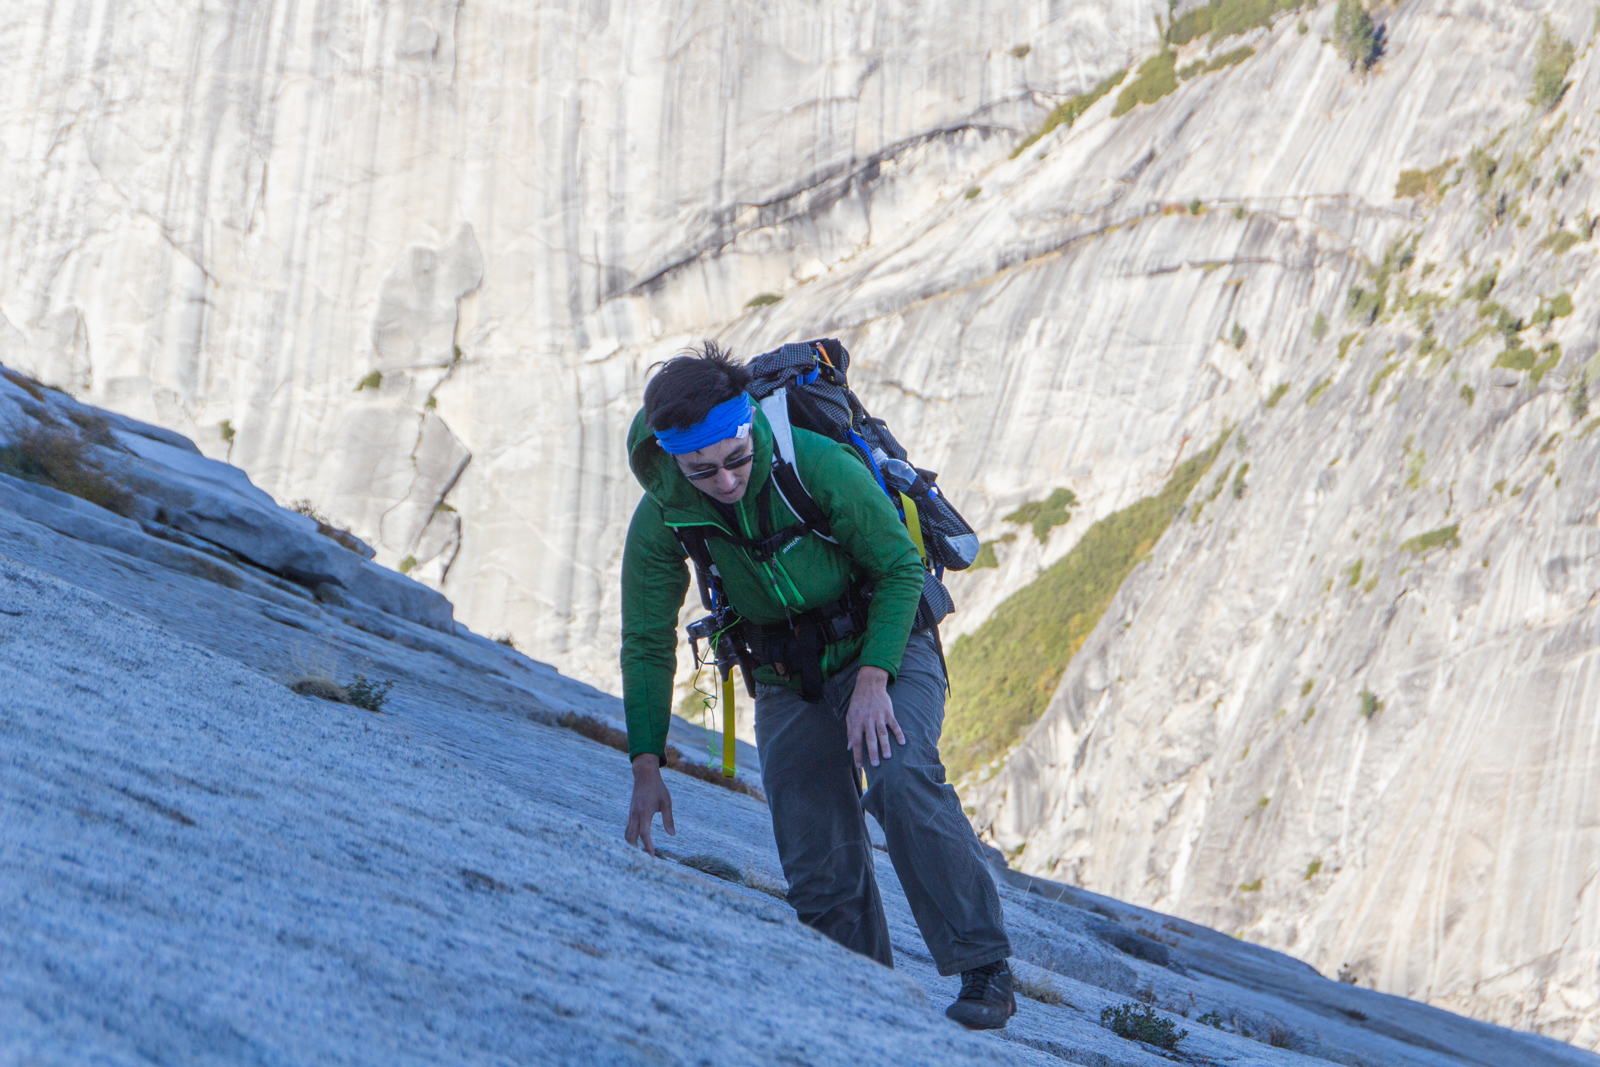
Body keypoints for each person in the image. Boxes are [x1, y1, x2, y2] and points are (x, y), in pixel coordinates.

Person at [618, 342, 1015, 1029]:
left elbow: (897, 568)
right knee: (814, 856)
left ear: (749, 427)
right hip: (784, 676)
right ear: (672, 456)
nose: (726, 480)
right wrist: (646, 761)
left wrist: (872, 679)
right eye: (702, 468)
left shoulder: (816, 463)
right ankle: (865, 1002)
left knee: (897, 772)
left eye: (737, 458)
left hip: (888, 641)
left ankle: (986, 967)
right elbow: (646, 636)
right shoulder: (665, 513)